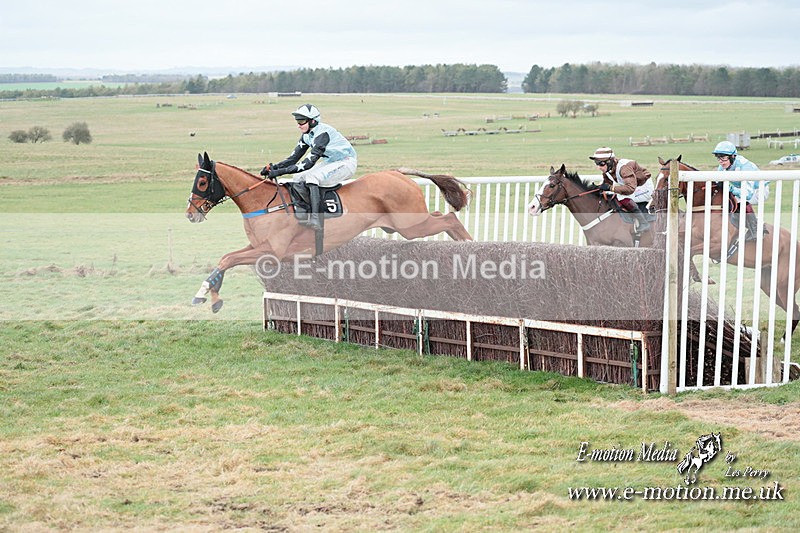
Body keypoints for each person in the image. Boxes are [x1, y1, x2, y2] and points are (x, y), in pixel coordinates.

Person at [261, 104, 357, 231]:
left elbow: (307, 164)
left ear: (313, 121)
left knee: (312, 177)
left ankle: (316, 218)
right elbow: (293, 159)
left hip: (346, 162)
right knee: (298, 177)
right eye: (297, 121)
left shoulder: (322, 134)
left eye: (301, 121)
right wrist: (273, 168)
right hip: (331, 162)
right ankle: (303, 209)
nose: (298, 125)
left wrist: (280, 172)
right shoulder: (307, 135)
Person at [712, 140, 768, 241]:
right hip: (743, 189)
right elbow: (717, 182)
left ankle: (755, 229)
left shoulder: (745, 167)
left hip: (758, 190)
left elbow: (748, 194)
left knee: (738, 198)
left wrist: (732, 189)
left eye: (723, 157)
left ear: (733, 156)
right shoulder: (723, 166)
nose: (720, 161)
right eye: (718, 157)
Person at [589, 147, 654, 231]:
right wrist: (597, 188)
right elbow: (607, 184)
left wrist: (610, 188)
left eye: (601, 163)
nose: (599, 167)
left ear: (610, 161)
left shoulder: (624, 168)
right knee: (613, 195)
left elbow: (630, 188)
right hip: (633, 185)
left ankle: (643, 223)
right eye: (596, 163)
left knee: (621, 197)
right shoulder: (608, 169)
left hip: (644, 187)